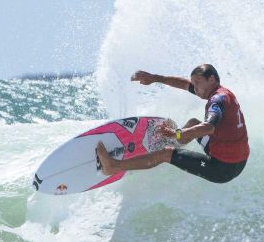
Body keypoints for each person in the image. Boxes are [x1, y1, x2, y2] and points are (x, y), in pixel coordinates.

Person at [96, 64, 249, 183]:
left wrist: (177, 133)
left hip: (223, 168)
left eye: (198, 83)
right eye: (193, 84)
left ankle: (113, 166)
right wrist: (155, 78)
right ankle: (177, 142)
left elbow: (208, 127)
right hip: (238, 159)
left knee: (165, 153)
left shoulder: (216, 101)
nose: (195, 88)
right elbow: (184, 84)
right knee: (193, 123)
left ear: (212, 79)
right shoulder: (222, 93)